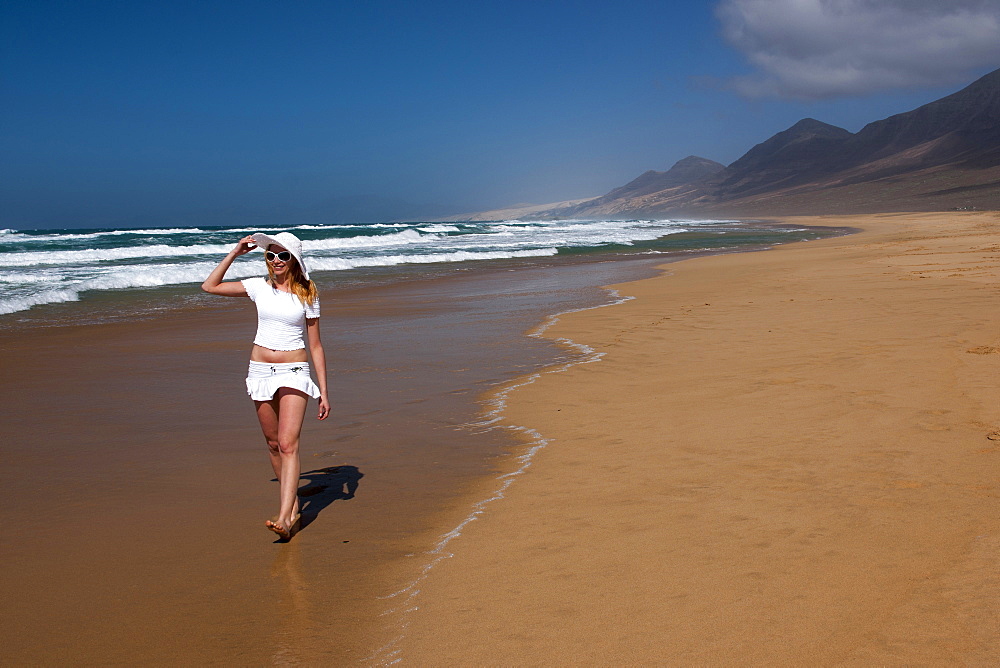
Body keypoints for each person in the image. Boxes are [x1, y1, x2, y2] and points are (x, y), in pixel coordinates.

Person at [202, 231, 330, 539]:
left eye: (282, 256)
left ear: (294, 261)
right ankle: (295, 506)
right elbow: (209, 286)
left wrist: (323, 390)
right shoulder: (258, 286)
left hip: (294, 371)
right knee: (273, 444)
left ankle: (285, 517)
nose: (275, 261)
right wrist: (234, 253)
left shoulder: (307, 293)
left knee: (288, 444)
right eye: (270, 255)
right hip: (260, 370)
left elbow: (315, 345)